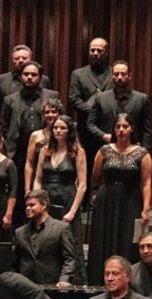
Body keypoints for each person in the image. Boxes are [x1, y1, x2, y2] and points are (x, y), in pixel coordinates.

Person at [88, 113, 152, 283]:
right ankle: (100, 280)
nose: (121, 130)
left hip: (131, 201)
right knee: (103, 239)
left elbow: (146, 183)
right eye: (118, 126)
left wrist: (146, 208)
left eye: (125, 126)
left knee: (127, 240)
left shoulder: (142, 153)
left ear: (132, 129)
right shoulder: (104, 151)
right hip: (106, 202)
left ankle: (126, 282)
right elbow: (95, 179)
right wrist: (95, 199)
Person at [34, 115, 88, 279]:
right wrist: (36, 199)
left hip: (68, 199)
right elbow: (38, 179)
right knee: (47, 239)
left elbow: (83, 184)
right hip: (47, 198)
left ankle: (73, 280)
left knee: (70, 242)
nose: (57, 130)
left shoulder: (77, 152)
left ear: (69, 130)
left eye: (62, 128)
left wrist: (72, 211)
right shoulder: (45, 150)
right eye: (56, 127)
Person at [12, 189, 78, 286]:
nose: (27, 208)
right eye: (27, 206)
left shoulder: (61, 228)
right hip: (24, 285)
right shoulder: (20, 232)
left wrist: (64, 279)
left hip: (51, 284)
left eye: (32, 205)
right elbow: (15, 262)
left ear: (44, 205)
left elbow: (69, 259)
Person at [68, 37, 112, 172]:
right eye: (92, 50)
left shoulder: (114, 73)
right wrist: (95, 111)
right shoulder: (78, 74)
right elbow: (74, 100)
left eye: (99, 50)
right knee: (85, 167)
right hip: (85, 129)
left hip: (108, 128)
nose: (95, 53)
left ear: (106, 53)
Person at [87, 60, 151, 150]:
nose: (119, 77)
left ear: (130, 76)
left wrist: (145, 151)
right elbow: (90, 124)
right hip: (107, 150)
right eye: (116, 74)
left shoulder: (141, 99)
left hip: (133, 150)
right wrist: (104, 136)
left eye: (123, 74)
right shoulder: (101, 98)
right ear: (112, 76)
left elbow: (146, 130)